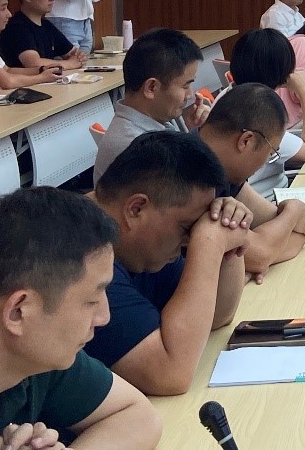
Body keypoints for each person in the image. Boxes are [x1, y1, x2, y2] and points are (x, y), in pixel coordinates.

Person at [0, 187, 161, 449]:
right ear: (18, 311)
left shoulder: (32, 355)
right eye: (91, 301)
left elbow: (138, 417)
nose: (104, 317)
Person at [86, 132, 252, 397]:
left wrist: (225, 232)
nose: (189, 240)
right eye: (187, 227)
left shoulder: (139, 246)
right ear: (136, 209)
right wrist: (208, 243)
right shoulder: (81, 257)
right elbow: (170, 375)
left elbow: (218, 315)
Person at [196, 83, 305, 276]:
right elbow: (261, 255)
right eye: (271, 152)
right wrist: (295, 209)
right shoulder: (192, 178)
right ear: (246, 141)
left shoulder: (223, 167)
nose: (265, 162)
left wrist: (265, 253)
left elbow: (295, 233)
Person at [93, 28, 212, 184]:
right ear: (151, 88)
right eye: (185, 86)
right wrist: (211, 137)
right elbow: (199, 188)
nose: (190, 94)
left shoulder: (157, 119)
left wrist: (194, 133)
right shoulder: (138, 148)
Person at [227, 29, 305, 195]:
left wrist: (302, 144)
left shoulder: (228, 96)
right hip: (272, 199)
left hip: (269, 194)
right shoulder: (261, 109)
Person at [0, 0, 87, 72]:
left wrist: (79, 57)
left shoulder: (46, 25)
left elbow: (72, 53)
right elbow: (33, 63)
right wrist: (70, 64)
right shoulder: (17, 26)